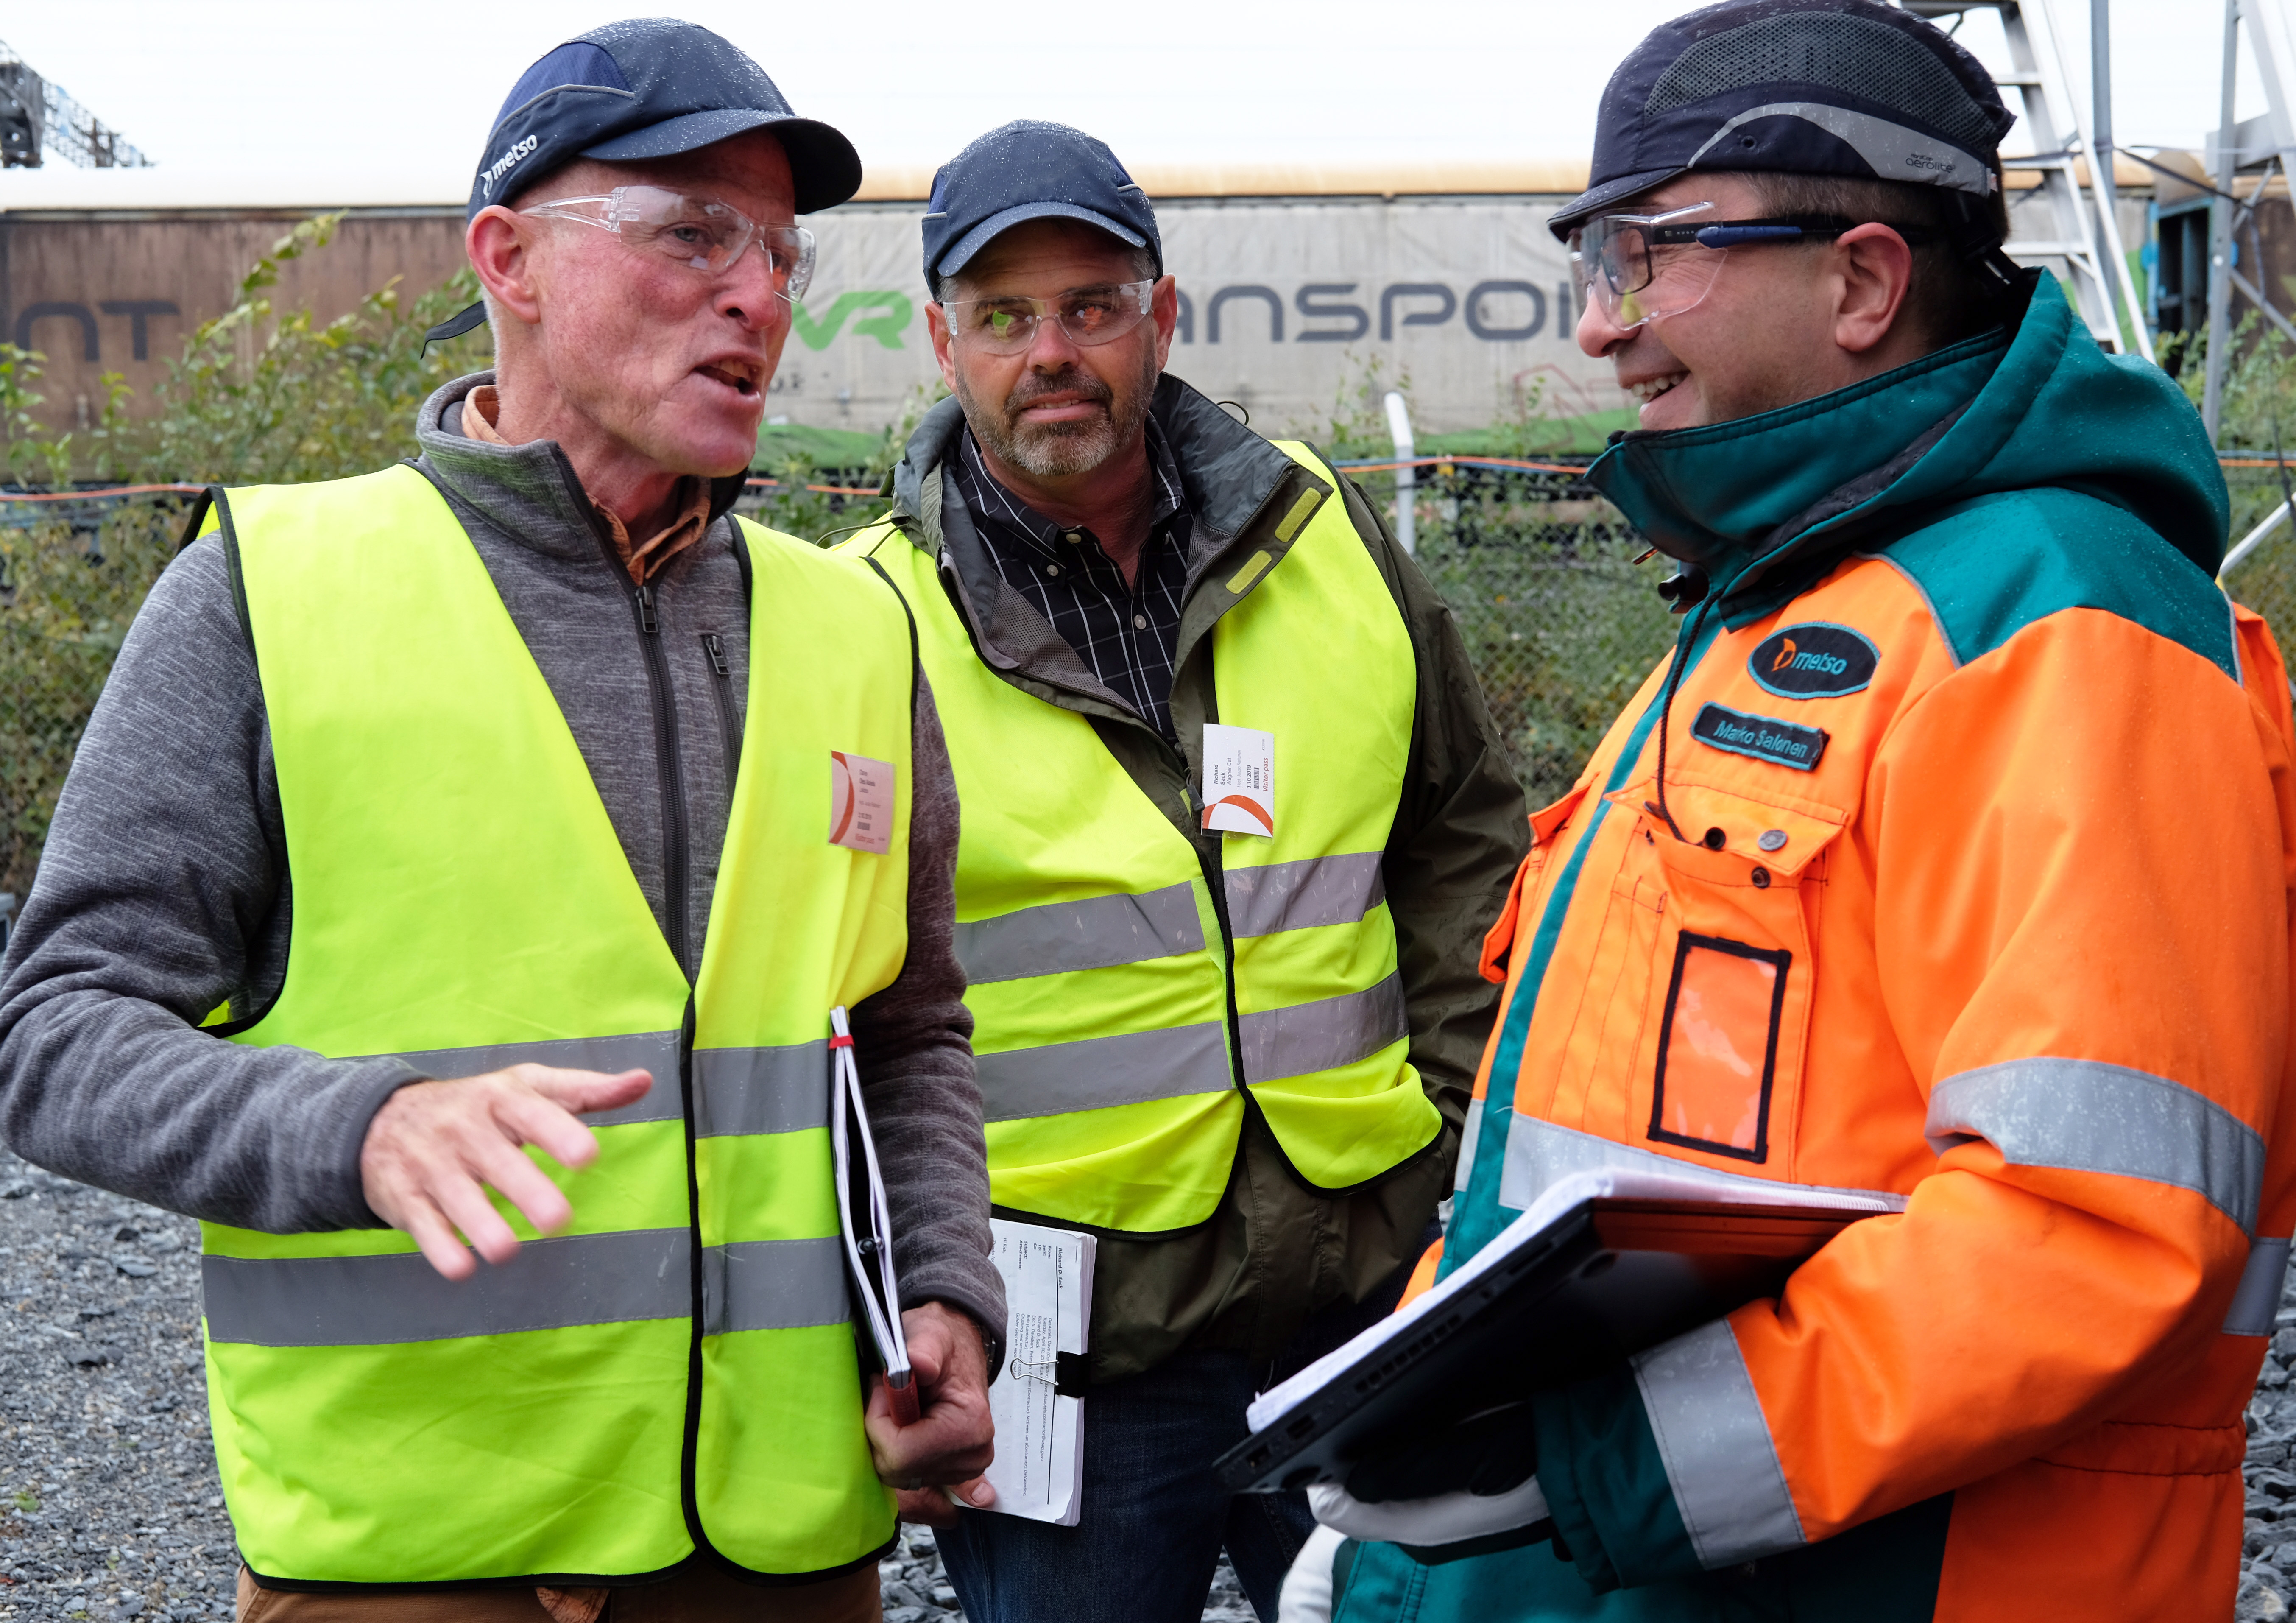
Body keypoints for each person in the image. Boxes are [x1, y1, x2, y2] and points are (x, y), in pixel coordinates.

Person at [1304, 2, 2296, 1618]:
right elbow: (1584, 1154)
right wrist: (1397, 1516)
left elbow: (2095, 1226)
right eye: (1598, 263)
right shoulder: (1785, 610)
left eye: (1650, 256)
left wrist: (1597, 1464)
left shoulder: (2064, 628)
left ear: (1860, 283)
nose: (1601, 327)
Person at [0, 21, 1003, 1623]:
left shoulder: (857, 628)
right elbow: (55, 1031)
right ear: (509, 260)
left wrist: (942, 1288)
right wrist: (358, 1127)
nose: (759, 295)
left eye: (779, 253)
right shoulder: (267, 593)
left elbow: (907, 1026)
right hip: (415, 1558)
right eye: (694, 233)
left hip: (786, 1553)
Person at [831, 120, 1529, 1623]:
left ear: (1161, 313)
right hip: (1062, 1348)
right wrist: (900, 1294)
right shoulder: (862, 624)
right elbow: (832, 1011)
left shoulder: (1323, 532)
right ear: (942, 342)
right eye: (1005, 317)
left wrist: (1452, 1117)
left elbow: (1463, 829)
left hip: (1366, 1296)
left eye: (1091, 306)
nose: (1052, 352)